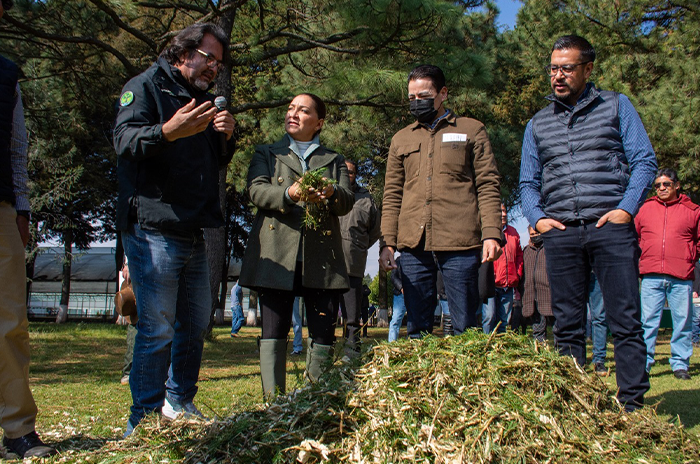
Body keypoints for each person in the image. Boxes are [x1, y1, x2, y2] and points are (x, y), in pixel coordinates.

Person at [520, 35, 657, 411]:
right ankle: (576, 404)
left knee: (624, 318)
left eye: (566, 68)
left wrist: (626, 209)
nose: (557, 76)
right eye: (553, 68)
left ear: (588, 69)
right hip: (561, 233)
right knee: (566, 323)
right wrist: (538, 218)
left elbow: (645, 161)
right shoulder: (537, 123)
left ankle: (632, 404)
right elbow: (528, 183)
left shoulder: (617, 105)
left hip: (609, 227)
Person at [113, 23, 236, 435]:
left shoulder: (202, 100)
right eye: (207, 57)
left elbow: (211, 161)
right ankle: (143, 421)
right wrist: (166, 131)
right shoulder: (145, 86)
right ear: (182, 52)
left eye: (218, 62)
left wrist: (226, 137)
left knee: (196, 321)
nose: (213, 68)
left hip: (193, 228)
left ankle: (178, 401)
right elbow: (124, 141)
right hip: (152, 226)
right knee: (158, 326)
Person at [238, 93, 354, 398]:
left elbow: (346, 201)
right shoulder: (267, 153)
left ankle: (312, 401)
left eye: (303, 110)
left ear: (319, 122)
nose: (294, 113)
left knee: (323, 333)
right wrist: (289, 193)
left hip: (322, 256)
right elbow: (256, 191)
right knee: (273, 331)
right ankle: (273, 405)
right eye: (290, 108)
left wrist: (330, 191)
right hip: (276, 253)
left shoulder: (334, 158)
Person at [379, 64, 502, 338]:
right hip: (413, 246)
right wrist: (388, 242)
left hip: (460, 243)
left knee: (466, 328)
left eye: (423, 96)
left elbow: (488, 184)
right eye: (411, 98)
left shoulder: (472, 130)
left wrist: (492, 233)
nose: (416, 103)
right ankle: (421, 379)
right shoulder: (401, 139)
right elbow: (391, 195)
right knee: (417, 329)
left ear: (442, 93)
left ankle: (466, 380)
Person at [0, 1, 56, 458]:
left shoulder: (6, 73)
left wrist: (21, 207)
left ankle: (18, 428)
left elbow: (17, 149)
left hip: (0, 209)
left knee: (9, 322)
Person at [635, 168, 700, 380]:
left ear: (676, 185)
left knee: (683, 322)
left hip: (681, 275)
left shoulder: (692, 210)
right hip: (651, 274)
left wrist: (688, 256)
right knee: (648, 322)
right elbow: (634, 236)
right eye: (658, 185)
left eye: (666, 184)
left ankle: (680, 364)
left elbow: (698, 242)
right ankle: (644, 363)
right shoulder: (645, 209)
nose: (661, 188)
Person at [338, 159, 381, 356]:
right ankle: (323, 361)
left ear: (356, 175)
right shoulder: (329, 193)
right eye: (344, 171)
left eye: (352, 172)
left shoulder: (366, 200)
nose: (348, 175)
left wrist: (360, 246)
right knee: (325, 316)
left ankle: (351, 357)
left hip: (353, 264)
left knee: (352, 317)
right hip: (328, 266)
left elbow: (375, 230)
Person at [482, 204, 523, 334]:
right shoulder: (488, 233)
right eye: (500, 211)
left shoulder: (513, 232)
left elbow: (519, 256)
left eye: (505, 211)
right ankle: (486, 346)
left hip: (508, 285)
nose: (504, 214)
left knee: (504, 320)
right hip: (491, 285)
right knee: (489, 317)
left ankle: (500, 349)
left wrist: (517, 274)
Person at [521, 226, 553, 343]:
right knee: (538, 329)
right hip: (532, 297)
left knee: (557, 328)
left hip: (549, 295)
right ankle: (539, 352)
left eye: (537, 233)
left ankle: (560, 353)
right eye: (532, 234)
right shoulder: (526, 251)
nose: (535, 236)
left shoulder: (549, 249)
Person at [587, 273, 609, 376]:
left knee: (599, 317)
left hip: (596, 272)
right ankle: (577, 358)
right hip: (577, 269)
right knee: (575, 316)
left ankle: (599, 360)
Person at [388, 256, 406, 342]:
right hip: (400, 295)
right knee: (395, 320)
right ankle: (391, 343)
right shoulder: (398, 260)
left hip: (415, 293)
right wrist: (402, 288)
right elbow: (393, 277)